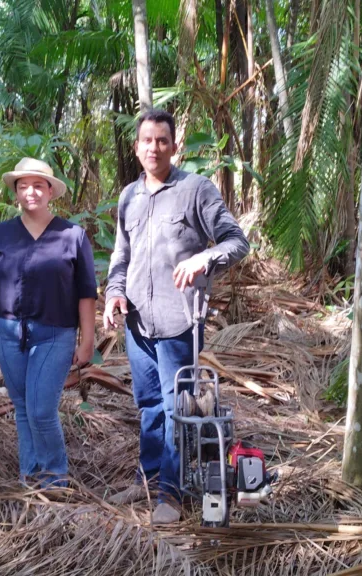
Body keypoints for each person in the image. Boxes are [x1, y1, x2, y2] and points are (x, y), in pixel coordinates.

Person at [103, 108, 249, 524]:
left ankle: (170, 492)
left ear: (173, 146)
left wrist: (205, 258)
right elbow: (121, 255)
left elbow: (236, 242)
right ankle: (146, 479)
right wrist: (114, 293)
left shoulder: (195, 189)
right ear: (136, 147)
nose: (154, 147)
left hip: (179, 321)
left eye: (162, 140)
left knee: (176, 408)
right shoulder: (128, 196)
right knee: (147, 403)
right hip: (137, 322)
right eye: (146, 140)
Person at [0, 158, 98, 489]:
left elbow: (86, 293)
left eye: (38, 185)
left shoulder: (72, 235)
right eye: (24, 185)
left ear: (50, 192)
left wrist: (87, 340)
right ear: (15, 192)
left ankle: (55, 478)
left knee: (42, 410)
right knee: (24, 408)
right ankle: (30, 475)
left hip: (55, 333)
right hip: (8, 333)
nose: (31, 191)